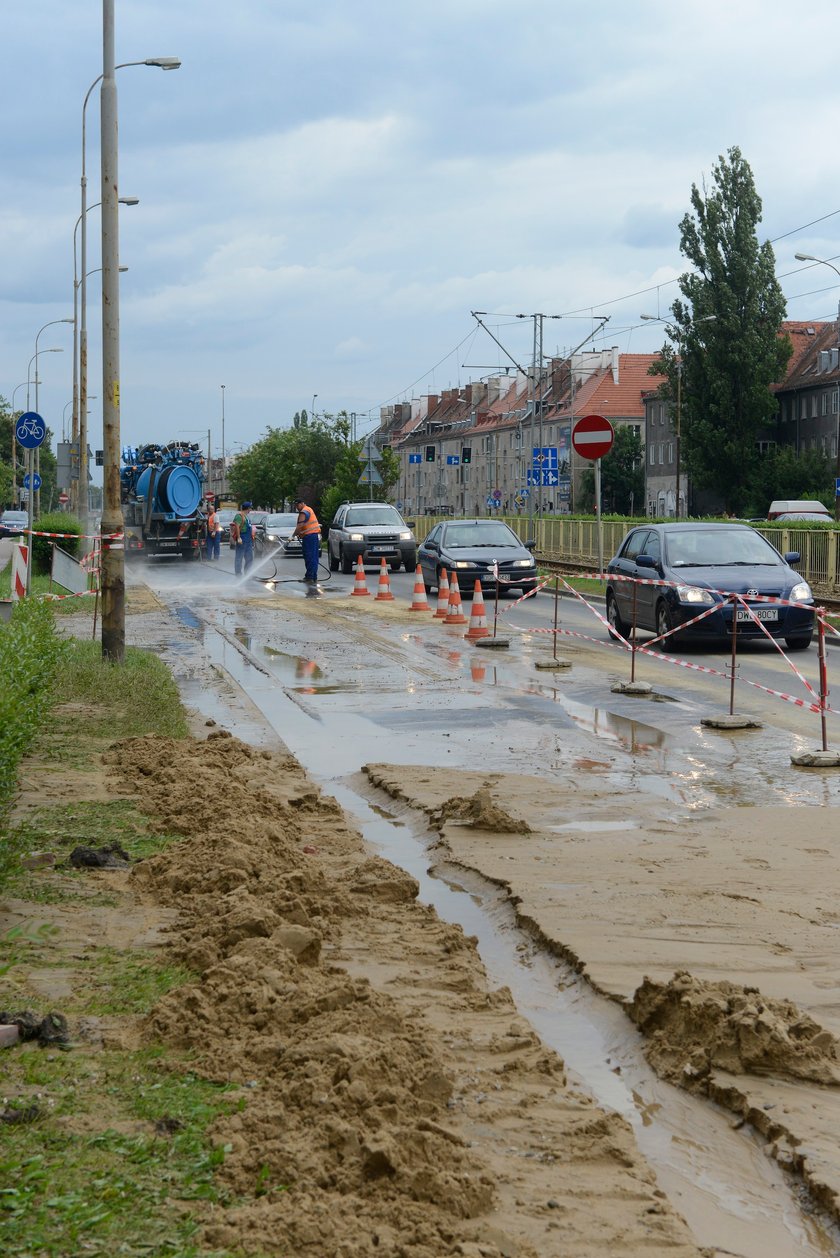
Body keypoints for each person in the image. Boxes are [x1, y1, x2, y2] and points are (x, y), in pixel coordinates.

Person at [292, 498, 321, 582]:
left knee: (309, 557)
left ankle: (310, 577)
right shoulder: (309, 509)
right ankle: (313, 576)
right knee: (314, 557)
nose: (297, 507)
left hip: (309, 537)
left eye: (297, 505)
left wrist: (293, 535)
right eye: (295, 506)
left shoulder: (304, 512)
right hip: (313, 536)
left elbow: (299, 526)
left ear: (302, 503)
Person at [232, 501, 254, 576]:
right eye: (250, 508)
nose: (251, 509)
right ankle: (238, 573)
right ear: (248, 508)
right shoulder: (239, 516)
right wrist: (239, 537)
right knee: (239, 557)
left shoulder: (246, 516)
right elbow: (237, 526)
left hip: (248, 540)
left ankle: (247, 573)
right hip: (242, 538)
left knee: (249, 558)